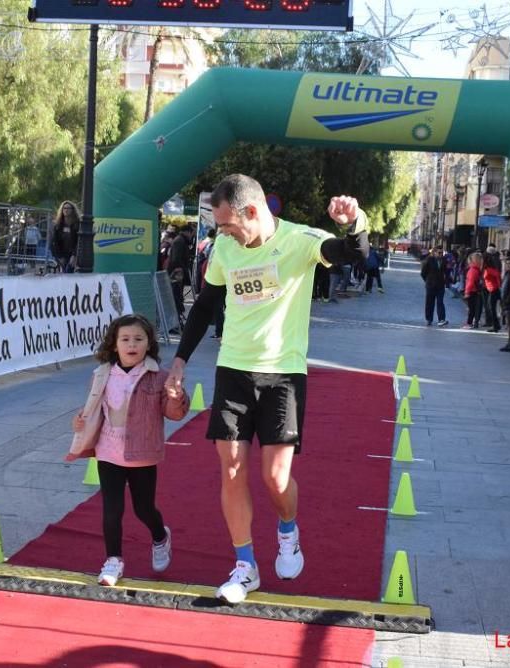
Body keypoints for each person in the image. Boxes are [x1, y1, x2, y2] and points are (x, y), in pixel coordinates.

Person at [163, 174, 369, 603]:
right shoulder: (225, 248)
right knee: (232, 469)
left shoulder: (300, 240)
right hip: (233, 370)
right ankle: (244, 566)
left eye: (227, 225)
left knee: (275, 479)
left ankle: (288, 532)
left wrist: (355, 222)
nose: (222, 233)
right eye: (219, 227)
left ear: (253, 212)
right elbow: (205, 304)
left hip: (282, 375)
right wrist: (179, 361)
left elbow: (353, 254)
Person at [67, 314, 189, 587]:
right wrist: (80, 420)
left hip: (142, 453)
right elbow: (93, 406)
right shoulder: (101, 375)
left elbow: (174, 413)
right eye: (125, 339)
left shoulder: (159, 377)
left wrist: (177, 397)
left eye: (138, 339)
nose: (131, 344)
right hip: (108, 451)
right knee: (112, 509)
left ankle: (160, 536)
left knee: (143, 508)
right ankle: (113, 559)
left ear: (148, 344)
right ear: (114, 345)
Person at [166, 224, 195, 329]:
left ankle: (176, 323)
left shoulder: (181, 241)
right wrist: (184, 269)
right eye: (192, 233)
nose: (192, 236)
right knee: (175, 298)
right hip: (176, 274)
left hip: (178, 274)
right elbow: (176, 260)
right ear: (187, 232)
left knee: (177, 298)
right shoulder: (179, 241)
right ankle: (174, 325)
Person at [420, 246, 448, 326]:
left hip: (440, 285)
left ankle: (441, 319)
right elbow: (423, 273)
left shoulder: (444, 260)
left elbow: (445, 272)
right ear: (434, 252)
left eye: (442, 253)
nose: (441, 254)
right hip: (430, 285)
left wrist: (446, 281)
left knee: (440, 302)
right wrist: (428, 280)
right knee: (429, 302)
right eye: (439, 253)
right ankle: (429, 319)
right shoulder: (429, 260)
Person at [51, 200, 80, 273]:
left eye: (68, 208)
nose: (66, 210)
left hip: (73, 254)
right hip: (61, 254)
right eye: (64, 208)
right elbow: (54, 241)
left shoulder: (78, 224)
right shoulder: (58, 225)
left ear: (72, 210)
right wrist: (59, 257)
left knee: (69, 271)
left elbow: (79, 241)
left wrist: (74, 255)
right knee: (63, 272)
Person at [462, 252, 483, 329]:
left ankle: (469, 323)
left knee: (471, 309)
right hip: (477, 291)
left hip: (472, 291)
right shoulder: (478, 270)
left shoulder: (472, 270)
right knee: (475, 308)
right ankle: (475, 321)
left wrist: (467, 292)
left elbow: (470, 282)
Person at [482, 252, 502, 332]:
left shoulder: (489, 269)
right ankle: (496, 325)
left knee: (491, 308)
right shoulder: (488, 268)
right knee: (491, 308)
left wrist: (499, 285)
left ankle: (495, 325)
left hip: (494, 290)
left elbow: (497, 275)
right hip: (492, 289)